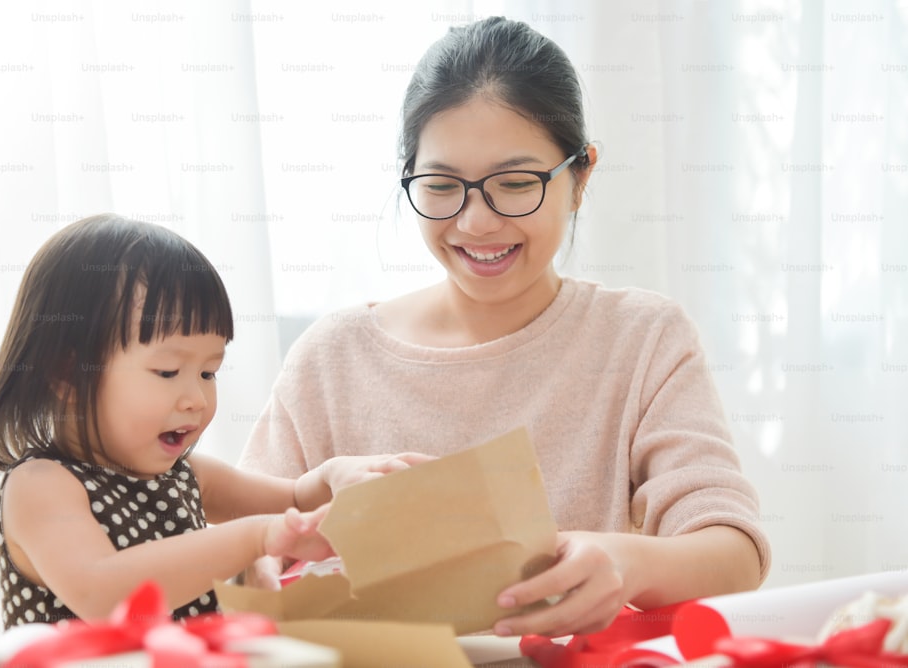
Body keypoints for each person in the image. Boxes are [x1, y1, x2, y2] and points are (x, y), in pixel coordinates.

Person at [239, 16, 771, 638]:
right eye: (440, 186)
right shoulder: (332, 357)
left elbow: (733, 552)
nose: (476, 222)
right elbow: (233, 547)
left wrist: (626, 563)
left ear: (581, 177)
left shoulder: (643, 338)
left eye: (516, 184)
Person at [0, 214, 427, 629]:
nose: (196, 399)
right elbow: (105, 594)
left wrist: (336, 477)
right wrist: (256, 538)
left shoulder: (187, 476)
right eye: (168, 372)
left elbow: (291, 500)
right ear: (67, 373)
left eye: (208, 372)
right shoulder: (42, 485)